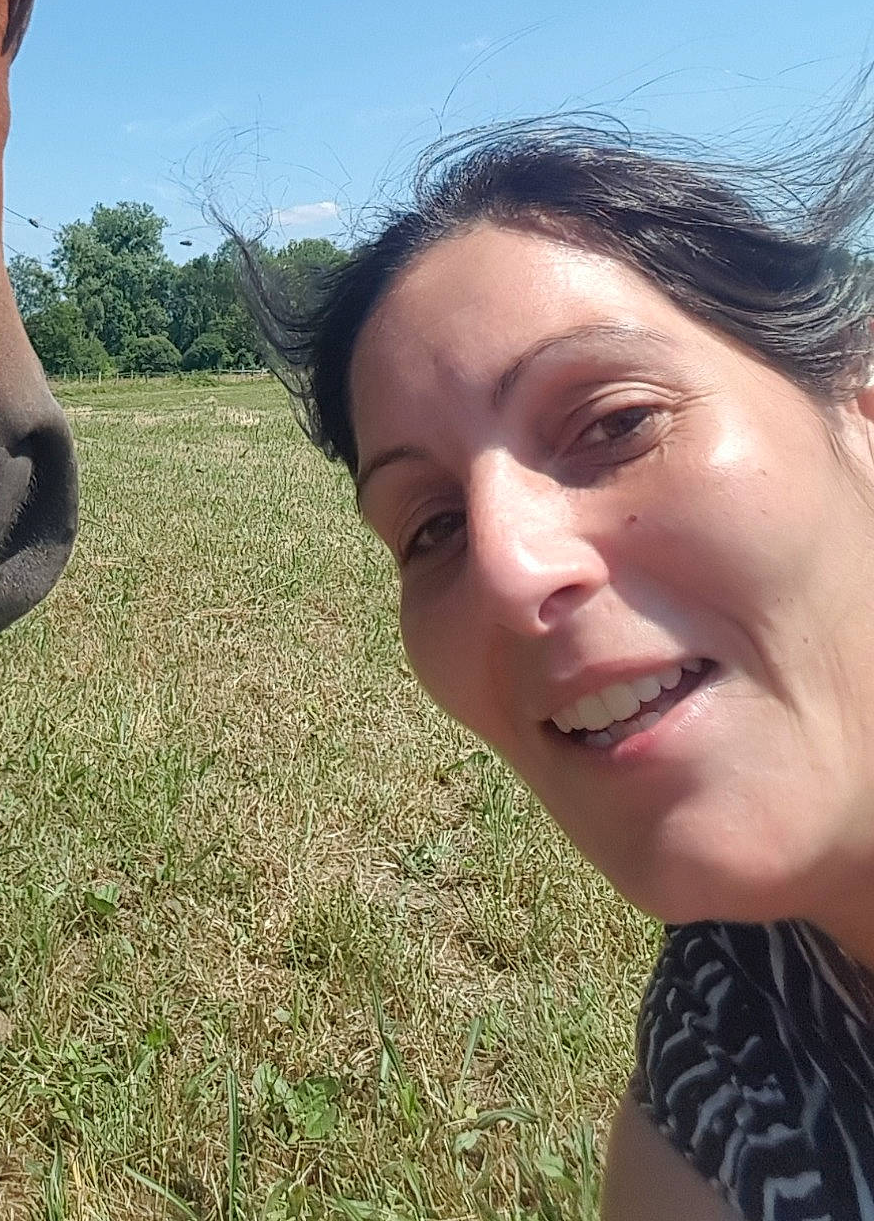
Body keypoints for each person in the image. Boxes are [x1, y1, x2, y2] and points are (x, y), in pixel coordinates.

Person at [245, 124, 874, 1221]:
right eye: (432, 526)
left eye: (617, 420)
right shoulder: (724, 1064)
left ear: (858, 411)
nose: (503, 566)